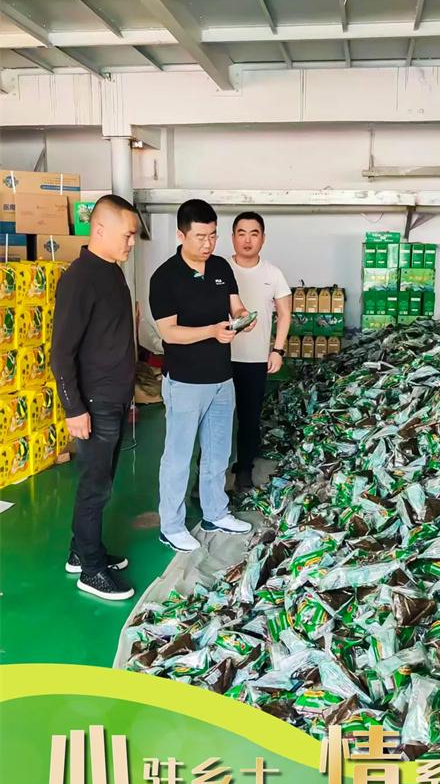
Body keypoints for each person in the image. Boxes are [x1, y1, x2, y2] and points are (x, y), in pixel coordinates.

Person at [149, 198, 255, 552]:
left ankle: (215, 512)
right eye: (200, 237)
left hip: (222, 379)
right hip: (184, 382)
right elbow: (169, 333)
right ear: (181, 235)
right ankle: (171, 525)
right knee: (178, 458)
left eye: (213, 236)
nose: (208, 244)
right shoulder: (164, 278)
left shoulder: (221, 266)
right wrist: (211, 331)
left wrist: (242, 318)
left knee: (218, 453)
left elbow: (235, 304)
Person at [51, 193, 139, 601]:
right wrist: (74, 408)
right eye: (128, 235)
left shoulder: (112, 272)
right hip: (95, 401)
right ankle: (91, 570)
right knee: (95, 486)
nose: (132, 243)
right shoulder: (80, 278)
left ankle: (81, 550)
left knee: (102, 480)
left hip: (114, 396)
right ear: (99, 229)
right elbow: (61, 352)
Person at [230, 211, 292, 490]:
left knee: (249, 419)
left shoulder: (272, 273)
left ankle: (244, 469)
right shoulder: (220, 269)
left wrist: (277, 350)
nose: (247, 240)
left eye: (253, 234)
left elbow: (285, 313)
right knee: (214, 422)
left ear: (263, 239)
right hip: (220, 358)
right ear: (233, 237)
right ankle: (205, 475)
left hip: (255, 360)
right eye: (241, 233)